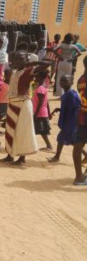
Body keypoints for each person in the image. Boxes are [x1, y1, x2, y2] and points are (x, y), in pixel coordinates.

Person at [0, 51, 51, 165]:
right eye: (16, 58)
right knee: (10, 130)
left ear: (26, 60)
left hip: (23, 104)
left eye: (21, 59)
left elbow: (48, 63)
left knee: (22, 131)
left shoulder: (29, 71)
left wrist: (34, 62)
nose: (18, 61)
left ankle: (22, 159)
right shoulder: (14, 71)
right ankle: (9, 155)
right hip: (12, 103)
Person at [47, 75, 87, 163]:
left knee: (63, 139)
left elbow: (78, 108)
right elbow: (68, 107)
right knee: (71, 141)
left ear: (71, 82)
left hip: (71, 123)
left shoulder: (72, 94)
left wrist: (75, 123)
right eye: (61, 81)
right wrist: (58, 109)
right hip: (67, 122)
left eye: (65, 81)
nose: (62, 83)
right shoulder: (65, 94)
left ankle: (57, 157)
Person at [73, 56, 87, 185]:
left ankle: (79, 176)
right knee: (78, 146)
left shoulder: (81, 79)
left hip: (82, 116)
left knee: (78, 146)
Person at [33, 71, 53, 152]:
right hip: (42, 112)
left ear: (41, 78)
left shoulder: (40, 89)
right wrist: (49, 112)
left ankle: (49, 145)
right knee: (41, 130)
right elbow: (46, 102)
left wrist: (35, 114)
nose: (35, 78)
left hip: (40, 113)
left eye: (36, 76)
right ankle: (48, 145)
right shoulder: (43, 87)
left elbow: (41, 103)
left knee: (42, 131)